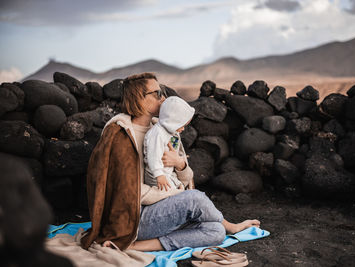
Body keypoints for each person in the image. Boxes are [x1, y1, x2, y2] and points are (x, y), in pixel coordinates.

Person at [80, 72, 260, 252]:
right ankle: (232, 226)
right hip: (134, 218)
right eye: (157, 93)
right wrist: (174, 195)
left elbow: (184, 179)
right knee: (195, 199)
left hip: (163, 211)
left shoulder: (163, 129)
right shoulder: (121, 135)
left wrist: (180, 163)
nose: (164, 98)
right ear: (139, 99)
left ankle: (136, 247)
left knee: (216, 231)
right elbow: (127, 193)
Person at [143, 96, 195, 191]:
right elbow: (153, 156)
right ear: (173, 121)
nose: (183, 129)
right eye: (182, 125)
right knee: (171, 192)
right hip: (156, 176)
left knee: (177, 189)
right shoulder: (157, 134)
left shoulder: (170, 132)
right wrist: (159, 175)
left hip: (166, 173)